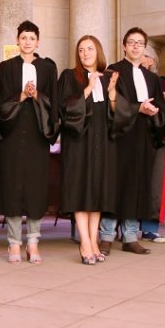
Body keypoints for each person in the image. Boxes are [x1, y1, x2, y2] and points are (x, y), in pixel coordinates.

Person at [99, 27, 165, 256]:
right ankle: (106, 236)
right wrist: (136, 108)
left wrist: (153, 111)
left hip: (143, 138)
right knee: (115, 186)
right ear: (124, 46)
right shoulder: (113, 72)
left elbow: (162, 109)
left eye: (140, 43)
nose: (136, 46)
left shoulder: (152, 78)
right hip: (119, 138)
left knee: (137, 186)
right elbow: (109, 103)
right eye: (131, 42)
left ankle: (130, 237)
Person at [0, 21, 59, 264]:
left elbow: (55, 103)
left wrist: (37, 96)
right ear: (17, 40)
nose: (28, 42)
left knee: (34, 188)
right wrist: (21, 96)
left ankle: (33, 242)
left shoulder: (48, 68)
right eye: (24, 38)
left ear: (38, 41)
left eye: (32, 38)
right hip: (11, 136)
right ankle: (13, 243)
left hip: (36, 136)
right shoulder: (6, 67)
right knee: (11, 187)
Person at [58, 36, 123, 264]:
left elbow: (117, 115)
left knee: (97, 190)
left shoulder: (108, 78)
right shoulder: (69, 76)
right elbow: (64, 108)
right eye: (81, 49)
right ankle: (85, 242)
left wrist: (113, 93)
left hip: (102, 142)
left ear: (98, 51)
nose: (86, 53)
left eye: (90, 49)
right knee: (79, 189)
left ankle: (94, 240)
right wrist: (87, 89)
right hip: (78, 143)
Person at [140, 49, 165, 243]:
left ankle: (150, 228)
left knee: (154, 185)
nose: (145, 61)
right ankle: (125, 228)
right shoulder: (127, 78)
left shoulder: (163, 84)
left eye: (149, 58)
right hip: (134, 139)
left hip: (156, 140)